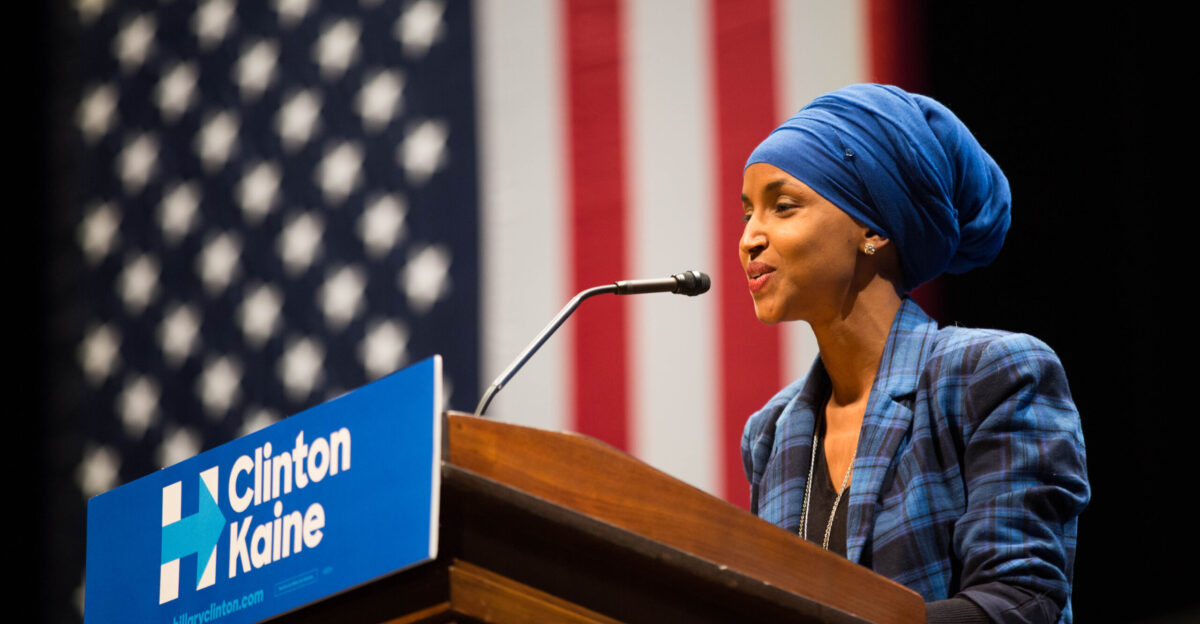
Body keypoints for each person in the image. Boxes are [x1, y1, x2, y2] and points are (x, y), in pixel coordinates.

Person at [738, 84, 1089, 624]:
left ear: (873, 228)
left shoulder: (992, 375)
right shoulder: (770, 432)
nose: (750, 238)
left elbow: (1021, 600)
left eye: (782, 207)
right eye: (747, 214)